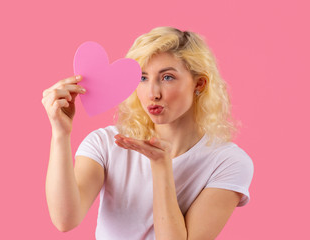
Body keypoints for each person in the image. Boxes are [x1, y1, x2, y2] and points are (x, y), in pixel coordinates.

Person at [42, 26, 254, 240]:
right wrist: (60, 133)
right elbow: (65, 219)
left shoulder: (228, 162)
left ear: (199, 83)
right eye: (143, 78)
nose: (153, 93)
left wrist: (161, 165)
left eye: (167, 77)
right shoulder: (105, 143)